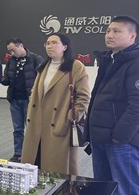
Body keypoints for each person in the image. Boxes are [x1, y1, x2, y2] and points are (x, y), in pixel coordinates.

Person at [87, 15, 139, 195]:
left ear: (132, 36)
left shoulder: (136, 63)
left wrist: (120, 138)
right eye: (108, 30)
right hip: (101, 138)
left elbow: (137, 106)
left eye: (117, 31)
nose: (109, 34)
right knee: (106, 190)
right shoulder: (110, 59)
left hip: (122, 143)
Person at [21, 33, 90, 175]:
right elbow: (35, 91)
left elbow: (83, 97)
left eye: (54, 43)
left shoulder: (75, 67)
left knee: (57, 169)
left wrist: (70, 117)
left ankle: (61, 190)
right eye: (47, 43)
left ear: (64, 47)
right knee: (34, 163)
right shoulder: (44, 66)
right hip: (37, 123)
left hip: (59, 123)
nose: (49, 46)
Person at [1, 37, 44, 162]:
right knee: (17, 129)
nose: (11, 53)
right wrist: (1, 78)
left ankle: (33, 154)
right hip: (14, 99)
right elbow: (7, 79)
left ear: (21, 46)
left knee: (32, 129)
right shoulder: (11, 61)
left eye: (13, 50)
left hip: (30, 101)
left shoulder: (36, 59)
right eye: (9, 51)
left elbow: (42, 79)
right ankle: (18, 153)